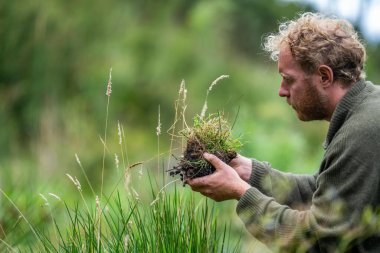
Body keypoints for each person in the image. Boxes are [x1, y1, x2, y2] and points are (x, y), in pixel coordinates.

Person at [187, 12, 380, 253]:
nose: (281, 91)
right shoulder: (367, 110)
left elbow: (318, 241)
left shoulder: (363, 132)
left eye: (288, 80)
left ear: (324, 76)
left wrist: (240, 192)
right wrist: (251, 173)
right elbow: (325, 191)